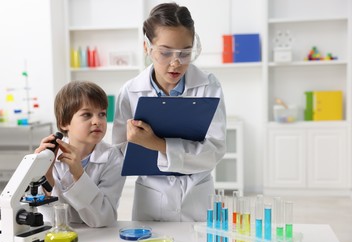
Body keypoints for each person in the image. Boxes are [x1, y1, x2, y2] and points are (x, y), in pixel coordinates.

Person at [112, 2, 226, 222]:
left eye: (185, 53)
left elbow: (215, 151)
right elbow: (120, 153)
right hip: (153, 197)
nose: (175, 63)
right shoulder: (129, 92)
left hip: (197, 194)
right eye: (165, 52)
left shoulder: (209, 86)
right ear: (147, 47)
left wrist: (157, 144)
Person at [35, 80, 125, 227]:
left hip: (100, 237)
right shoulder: (49, 155)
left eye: (101, 114)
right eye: (87, 115)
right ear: (64, 122)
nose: (97, 121)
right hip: (59, 237)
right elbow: (43, 215)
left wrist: (78, 174)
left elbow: (103, 219)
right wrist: (46, 176)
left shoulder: (114, 158)